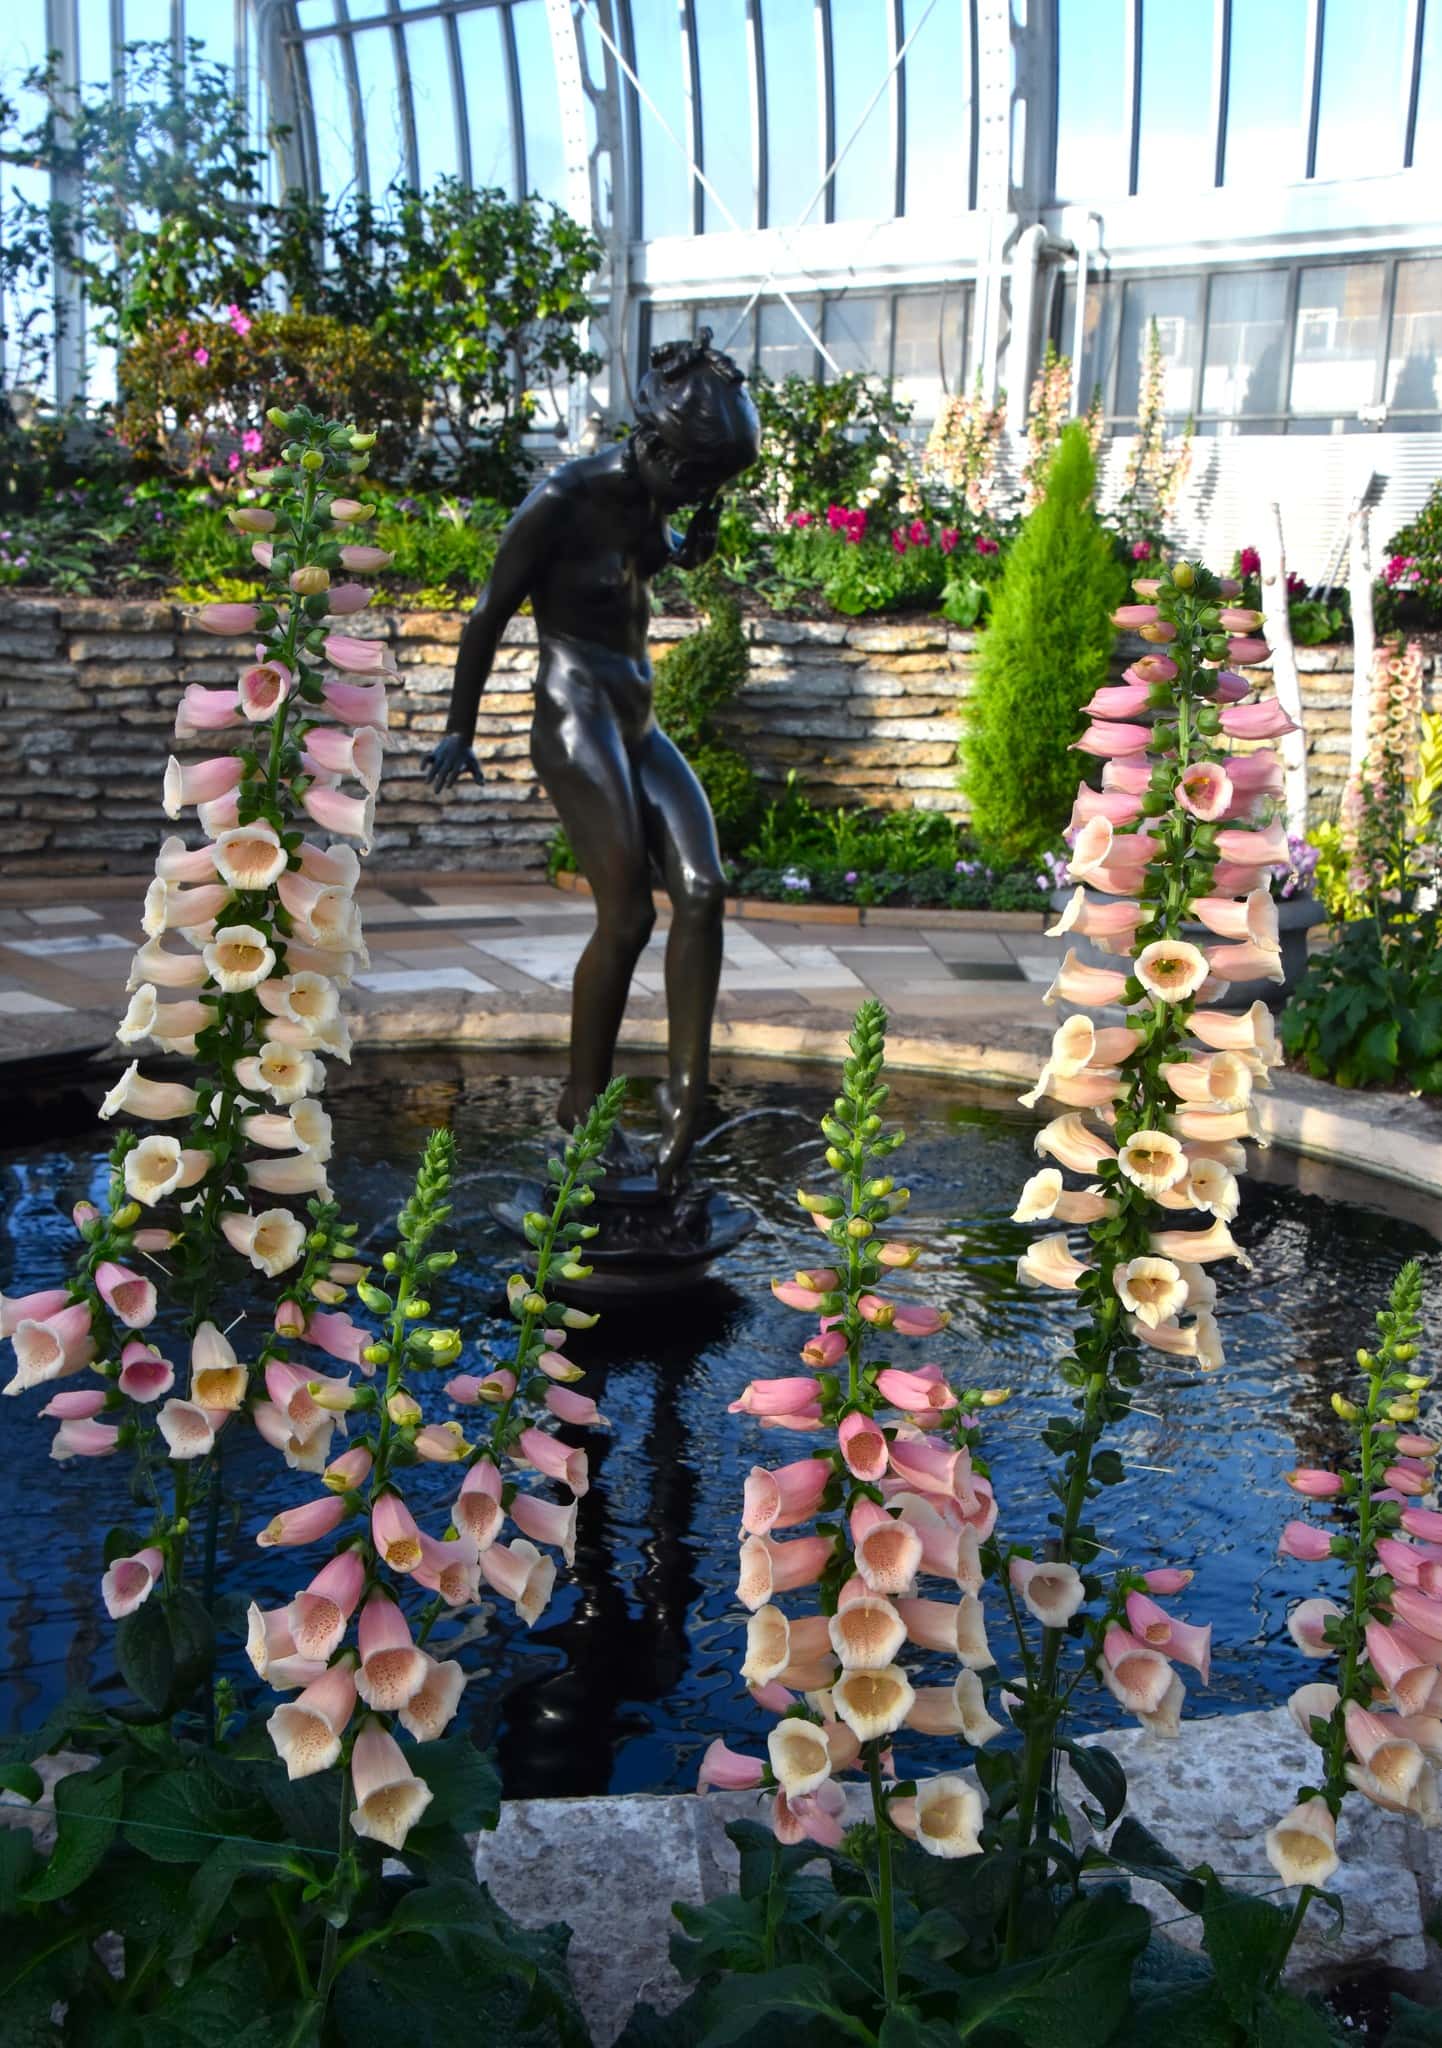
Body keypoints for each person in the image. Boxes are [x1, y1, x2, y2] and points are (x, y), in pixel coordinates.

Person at [421, 332, 760, 1185]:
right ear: (652, 444)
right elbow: (486, 616)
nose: (695, 495)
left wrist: (692, 538)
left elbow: (652, 561)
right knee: (629, 915)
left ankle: (686, 1110)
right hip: (575, 717)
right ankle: (582, 1105)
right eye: (694, 479)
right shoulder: (559, 501)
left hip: (638, 719)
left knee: (704, 891)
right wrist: (459, 729)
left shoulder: (657, 498)